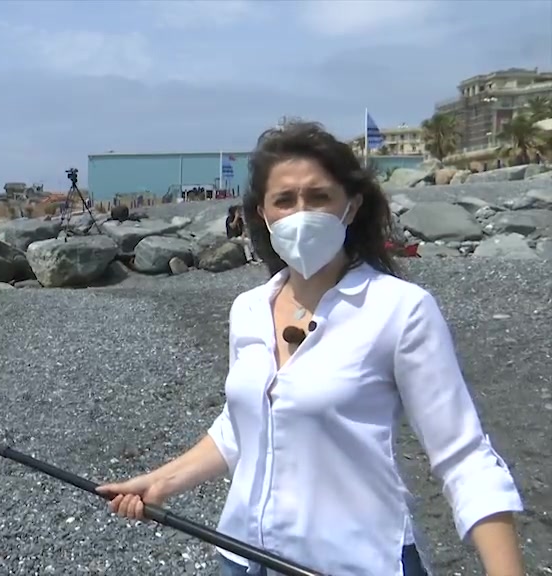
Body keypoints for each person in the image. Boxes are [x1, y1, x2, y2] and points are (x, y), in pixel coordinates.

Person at [97, 122, 525, 576]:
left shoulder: (400, 310)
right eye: (285, 200)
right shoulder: (248, 309)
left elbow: (465, 458)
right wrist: (161, 482)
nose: (301, 213)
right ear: (262, 214)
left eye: (318, 197)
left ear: (351, 206)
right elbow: (244, 425)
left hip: (355, 562)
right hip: (240, 557)